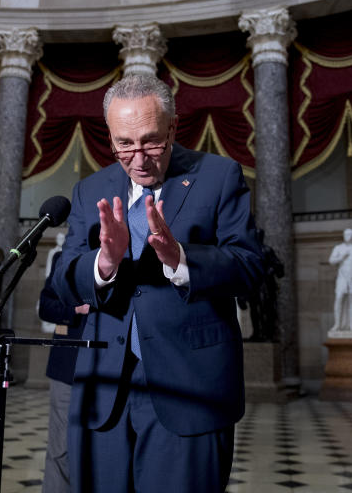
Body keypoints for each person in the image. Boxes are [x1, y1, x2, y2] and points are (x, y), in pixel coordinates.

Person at [52, 74, 264, 493]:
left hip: (189, 387)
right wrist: (104, 262)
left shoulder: (219, 176)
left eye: (151, 141)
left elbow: (249, 267)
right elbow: (64, 278)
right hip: (103, 391)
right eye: (124, 144)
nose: (138, 158)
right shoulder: (89, 189)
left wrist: (180, 258)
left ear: (173, 127)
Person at [38, 248, 89, 493]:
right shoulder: (64, 257)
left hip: (111, 368)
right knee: (60, 449)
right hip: (67, 365)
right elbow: (45, 307)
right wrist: (75, 311)